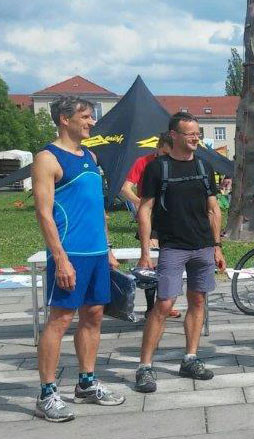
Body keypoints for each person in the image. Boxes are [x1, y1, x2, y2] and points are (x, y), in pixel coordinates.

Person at [32, 96, 125, 422]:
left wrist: (108, 248)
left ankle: (86, 383)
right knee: (59, 320)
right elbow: (43, 214)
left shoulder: (90, 156)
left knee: (94, 316)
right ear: (64, 118)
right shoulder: (47, 158)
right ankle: (47, 393)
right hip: (69, 253)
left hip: (96, 253)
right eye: (85, 116)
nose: (91, 122)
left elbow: (97, 208)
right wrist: (60, 259)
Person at [134, 112, 227, 393]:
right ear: (174, 135)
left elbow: (214, 209)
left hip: (203, 246)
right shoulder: (157, 168)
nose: (196, 138)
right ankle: (145, 367)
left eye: (198, 133)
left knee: (198, 301)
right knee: (163, 305)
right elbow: (145, 209)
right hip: (173, 246)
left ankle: (190, 358)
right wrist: (145, 250)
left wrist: (217, 246)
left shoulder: (203, 166)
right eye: (190, 134)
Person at [120, 132, 181, 319]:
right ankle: (150, 308)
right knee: (151, 262)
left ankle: (166, 303)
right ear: (158, 147)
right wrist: (140, 202)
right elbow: (125, 188)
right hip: (151, 218)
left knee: (170, 262)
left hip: (172, 217)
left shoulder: (176, 162)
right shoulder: (143, 162)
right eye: (164, 153)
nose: (167, 158)